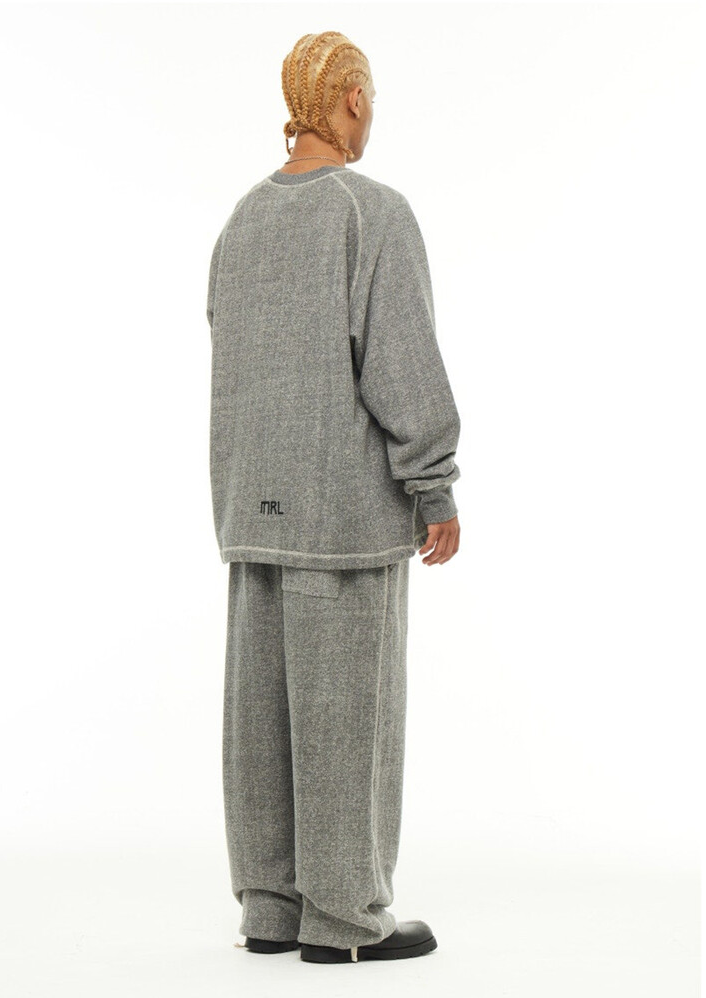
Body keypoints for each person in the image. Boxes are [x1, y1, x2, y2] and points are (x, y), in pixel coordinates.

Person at [206, 30, 461, 965]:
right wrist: (433, 484)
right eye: (372, 98)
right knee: (346, 719)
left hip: (251, 508)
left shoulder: (241, 219)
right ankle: (346, 922)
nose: (373, 112)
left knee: (261, 722)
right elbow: (400, 361)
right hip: (343, 512)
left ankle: (272, 910)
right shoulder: (371, 212)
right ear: (351, 98)